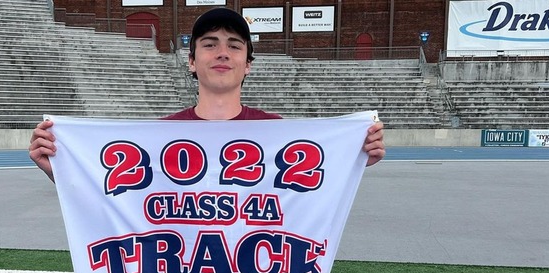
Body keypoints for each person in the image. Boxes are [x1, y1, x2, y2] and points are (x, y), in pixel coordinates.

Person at [29, 7, 385, 182]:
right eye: (210, 44)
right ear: (192, 61)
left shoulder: (280, 134)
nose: (222, 53)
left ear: (248, 64)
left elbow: (309, 203)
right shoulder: (160, 135)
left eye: (234, 45)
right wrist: (57, 169)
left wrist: (354, 160)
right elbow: (117, 201)